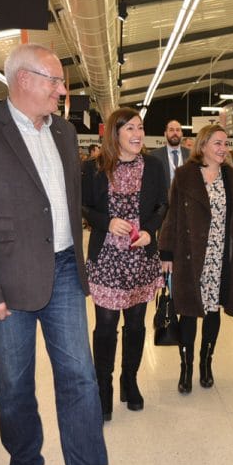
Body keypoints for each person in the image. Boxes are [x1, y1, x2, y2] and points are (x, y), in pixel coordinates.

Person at [0, 43, 108, 465]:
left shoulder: (65, 132)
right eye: (54, 81)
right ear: (24, 79)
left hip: (65, 272)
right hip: (6, 282)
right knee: (14, 388)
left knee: (80, 380)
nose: (62, 91)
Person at [81, 107, 167, 421]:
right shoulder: (93, 167)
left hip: (140, 257)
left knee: (135, 325)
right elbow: (86, 207)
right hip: (106, 258)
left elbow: (162, 204)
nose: (137, 134)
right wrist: (107, 221)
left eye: (140, 128)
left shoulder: (154, 166)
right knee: (105, 327)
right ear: (114, 133)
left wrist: (149, 230)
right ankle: (102, 386)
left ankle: (129, 381)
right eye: (129, 128)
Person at [158, 124, 233, 394]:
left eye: (225, 144)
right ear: (203, 146)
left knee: (213, 310)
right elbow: (172, 216)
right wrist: (166, 252)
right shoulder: (185, 176)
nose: (223, 149)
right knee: (188, 311)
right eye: (218, 143)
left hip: (221, 257)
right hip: (191, 256)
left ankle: (206, 364)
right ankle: (186, 368)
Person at [150, 119, 190, 187]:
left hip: (186, 196)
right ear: (165, 134)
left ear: (181, 134)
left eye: (178, 130)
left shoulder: (191, 154)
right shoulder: (154, 155)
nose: (175, 133)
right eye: (171, 130)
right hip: (164, 196)